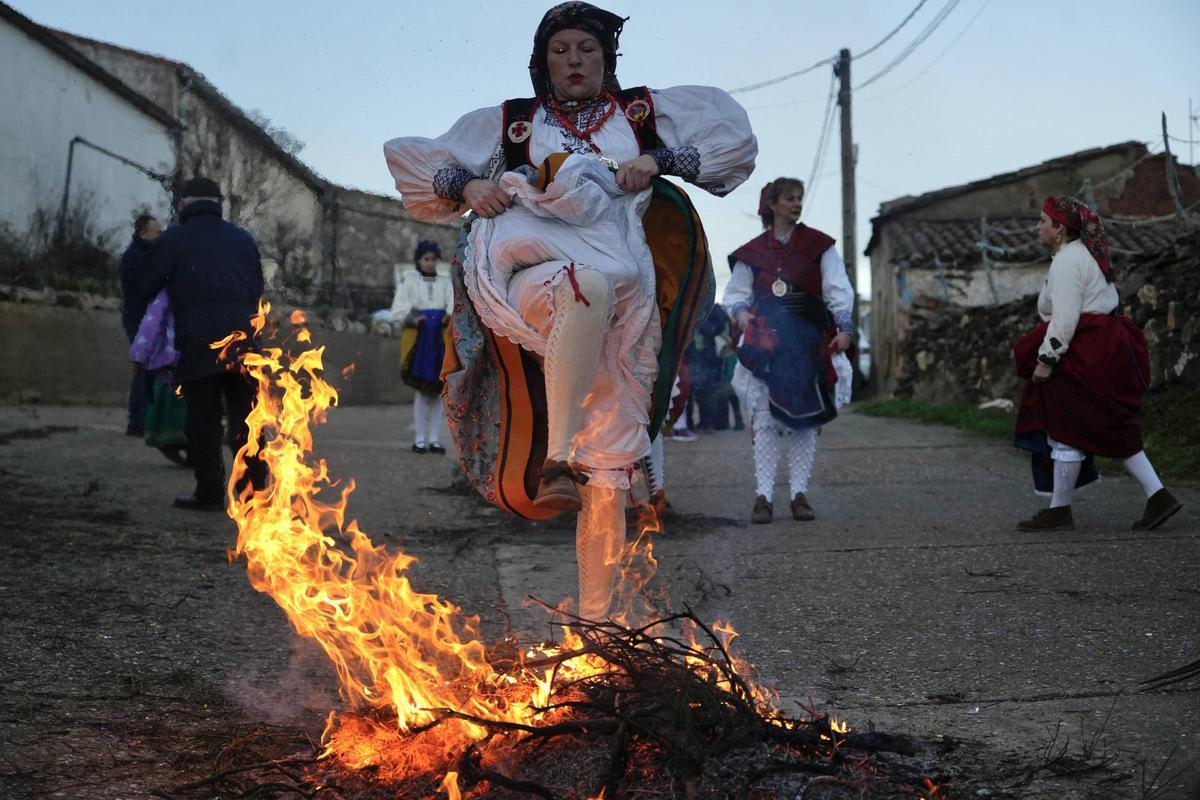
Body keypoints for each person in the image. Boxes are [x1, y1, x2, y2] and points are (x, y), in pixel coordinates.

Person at [383, 1, 756, 620]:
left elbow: (731, 149)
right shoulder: (515, 123)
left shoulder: (641, 115)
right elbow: (421, 161)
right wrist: (470, 186)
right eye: (561, 51)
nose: (574, 60)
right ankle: (557, 459)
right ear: (543, 62)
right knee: (583, 285)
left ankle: (595, 621)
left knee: (609, 462)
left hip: (623, 293)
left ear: (606, 58)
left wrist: (658, 162)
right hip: (530, 276)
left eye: (586, 49)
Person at [1013, 196, 1182, 532]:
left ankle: (1061, 511)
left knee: (1068, 425)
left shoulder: (1068, 261)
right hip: (1103, 347)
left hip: (1086, 350)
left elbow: (1064, 319)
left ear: (1059, 228)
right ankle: (1157, 496)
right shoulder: (1082, 255)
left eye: (1043, 221)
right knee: (1105, 424)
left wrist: (1047, 359)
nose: (1038, 227)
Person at [723, 177, 854, 525]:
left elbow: (837, 288)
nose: (796, 204)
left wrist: (845, 328)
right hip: (767, 343)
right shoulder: (752, 253)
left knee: (804, 422)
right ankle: (763, 497)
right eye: (789, 198)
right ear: (773, 205)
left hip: (808, 343)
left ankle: (799, 494)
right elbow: (736, 295)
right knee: (765, 421)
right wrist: (742, 314)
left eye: (800, 198)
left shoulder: (818, 246)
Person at [134, 176, 267, 511]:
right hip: (244, 343)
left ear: (183, 205)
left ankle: (209, 491)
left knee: (203, 420)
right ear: (219, 203)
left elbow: (147, 284)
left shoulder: (174, 239)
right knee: (246, 417)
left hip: (199, 343)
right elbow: (256, 288)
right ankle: (253, 492)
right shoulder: (242, 239)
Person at [393, 240, 454, 454]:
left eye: (433, 259)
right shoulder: (409, 281)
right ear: (419, 260)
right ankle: (420, 439)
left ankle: (435, 438)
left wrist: (448, 315)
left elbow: (452, 304)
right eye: (426, 259)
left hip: (439, 336)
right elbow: (400, 308)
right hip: (421, 338)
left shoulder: (446, 282)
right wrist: (413, 318)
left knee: (438, 390)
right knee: (421, 389)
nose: (430, 263)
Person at [118, 213, 162, 437]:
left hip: (144, 319)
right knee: (144, 369)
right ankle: (137, 421)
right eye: (157, 231)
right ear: (145, 233)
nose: (160, 235)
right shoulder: (136, 257)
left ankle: (143, 419)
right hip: (139, 320)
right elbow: (144, 287)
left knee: (147, 370)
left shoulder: (143, 255)